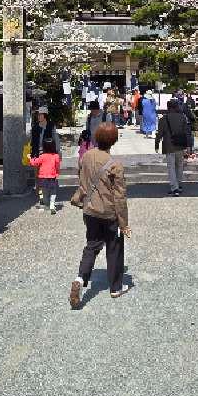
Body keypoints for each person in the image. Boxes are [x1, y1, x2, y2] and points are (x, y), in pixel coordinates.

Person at [70, 122, 131, 308]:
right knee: (114, 248)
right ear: (114, 141)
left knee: (91, 246)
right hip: (109, 213)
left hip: (90, 210)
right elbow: (119, 197)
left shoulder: (86, 156)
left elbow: (82, 181)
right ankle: (115, 287)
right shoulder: (115, 165)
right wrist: (124, 223)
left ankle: (80, 279)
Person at [155, 99, 189, 195]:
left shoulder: (163, 119)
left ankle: (174, 188)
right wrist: (188, 146)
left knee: (171, 168)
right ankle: (179, 184)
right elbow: (186, 133)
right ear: (176, 107)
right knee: (179, 166)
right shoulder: (182, 118)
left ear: (168, 107)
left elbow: (159, 134)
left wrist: (156, 145)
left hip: (169, 146)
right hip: (180, 145)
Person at [30, 107, 61, 207]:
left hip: (49, 154)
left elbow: (55, 138)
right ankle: (41, 197)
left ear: (45, 115)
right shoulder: (35, 127)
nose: (38, 116)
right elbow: (32, 141)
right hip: (37, 153)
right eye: (38, 114)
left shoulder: (51, 126)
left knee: (49, 175)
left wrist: (58, 152)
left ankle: (49, 193)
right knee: (37, 177)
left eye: (40, 114)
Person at [29, 137, 61, 213]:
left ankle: (47, 204)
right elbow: (57, 166)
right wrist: (57, 173)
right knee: (53, 191)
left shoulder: (42, 156)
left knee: (45, 191)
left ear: (44, 146)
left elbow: (34, 163)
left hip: (43, 177)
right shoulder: (56, 156)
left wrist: (30, 158)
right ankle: (52, 205)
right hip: (52, 176)